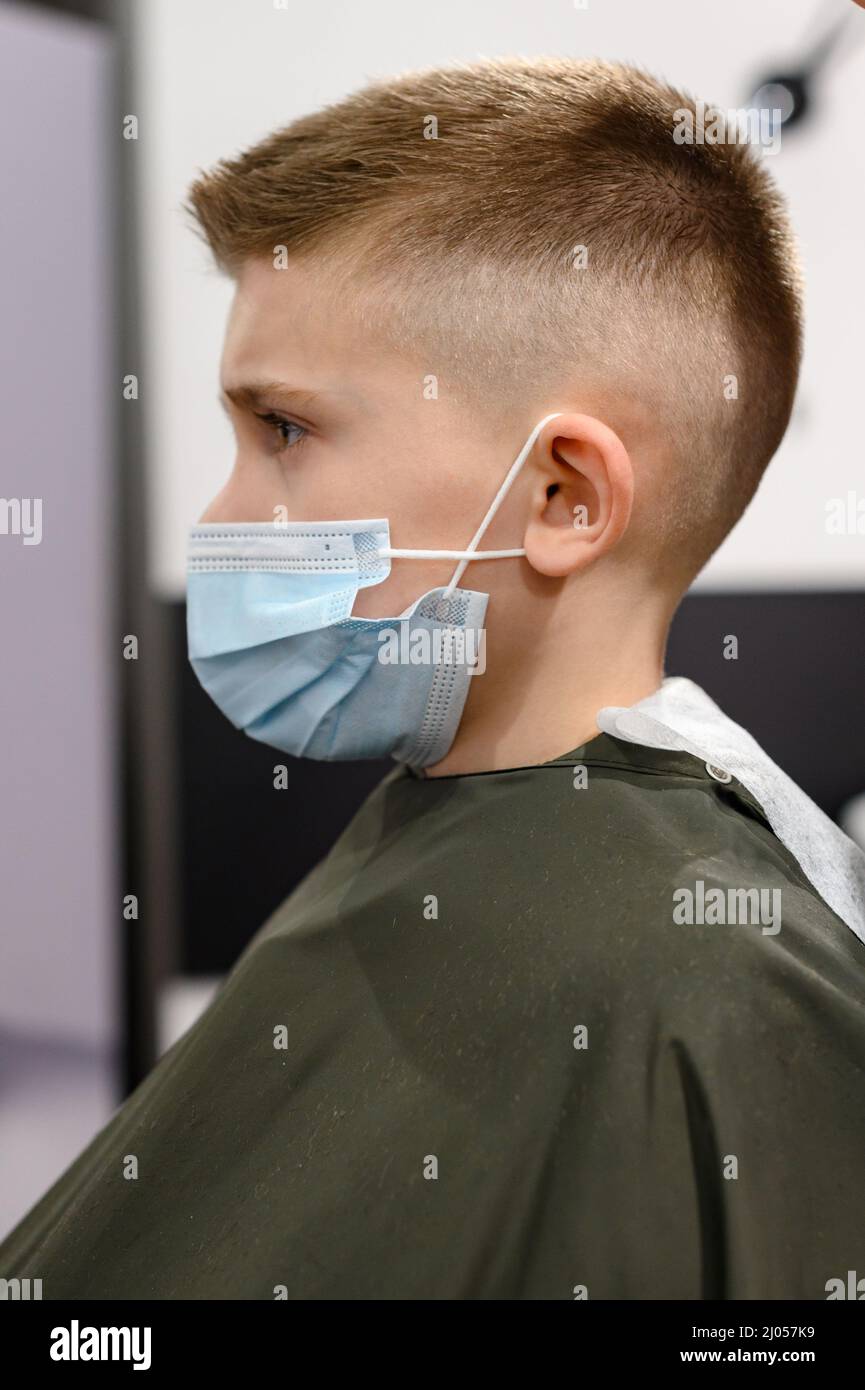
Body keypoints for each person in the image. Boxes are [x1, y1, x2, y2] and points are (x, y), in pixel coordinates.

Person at [2, 56, 864, 1301]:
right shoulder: (436, 825)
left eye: (284, 431)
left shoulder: (723, 994)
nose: (225, 512)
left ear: (562, 495)